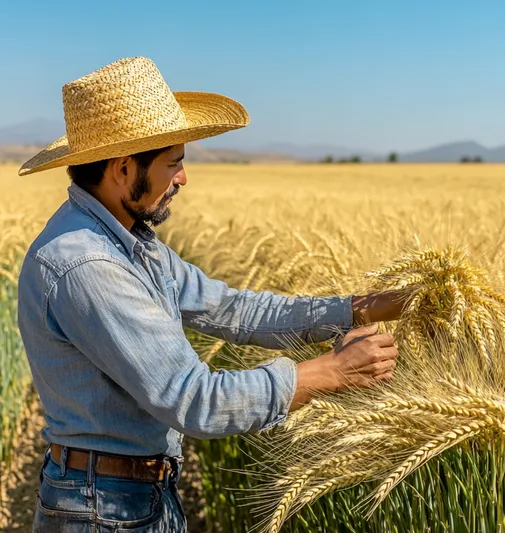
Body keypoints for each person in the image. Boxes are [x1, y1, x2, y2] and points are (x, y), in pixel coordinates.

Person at [16, 57, 405, 532]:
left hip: (130, 496)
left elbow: (234, 310)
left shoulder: (129, 239)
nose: (183, 179)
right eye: (173, 164)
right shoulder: (90, 265)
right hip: (105, 511)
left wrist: (361, 308)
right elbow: (195, 399)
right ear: (122, 169)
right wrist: (332, 372)